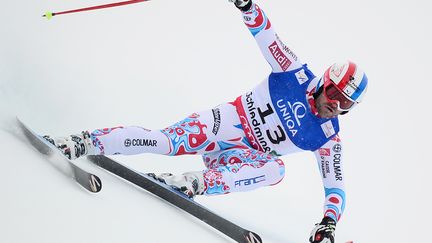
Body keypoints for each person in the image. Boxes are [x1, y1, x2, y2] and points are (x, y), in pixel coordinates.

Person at [44, 1, 368, 242]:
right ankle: (79, 141)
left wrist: (328, 222)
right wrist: (247, 5)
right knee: (164, 142)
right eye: (335, 95)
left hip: (239, 160)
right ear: (325, 82)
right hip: (221, 126)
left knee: (276, 170)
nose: (335, 107)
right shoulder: (293, 73)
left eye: (345, 105)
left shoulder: (328, 137)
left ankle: (190, 183)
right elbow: (266, 34)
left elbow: (335, 185)